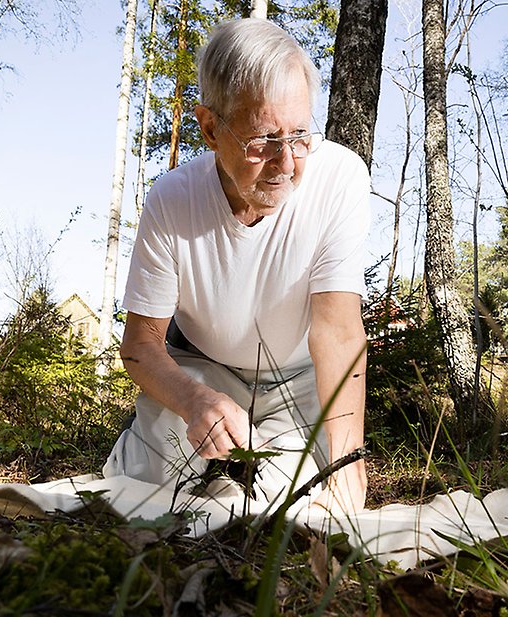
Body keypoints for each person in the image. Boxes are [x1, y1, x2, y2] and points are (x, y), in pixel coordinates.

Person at [102, 18, 370, 513]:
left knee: (292, 497)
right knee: (146, 488)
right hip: (202, 369)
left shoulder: (341, 179)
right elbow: (141, 347)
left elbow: (337, 333)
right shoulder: (172, 199)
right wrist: (193, 400)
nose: (286, 163)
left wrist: (347, 459)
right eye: (262, 141)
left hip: (301, 382)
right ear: (209, 127)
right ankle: (140, 451)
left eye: (299, 136)